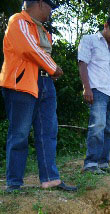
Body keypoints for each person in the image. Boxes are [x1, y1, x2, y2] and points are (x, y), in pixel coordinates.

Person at [0, 0, 77, 192]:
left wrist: (49, 72)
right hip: (22, 84)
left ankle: (50, 179)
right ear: (41, 4)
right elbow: (29, 49)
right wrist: (53, 68)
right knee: (19, 133)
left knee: (48, 131)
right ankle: (14, 183)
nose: (51, 11)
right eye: (50, 7)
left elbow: (41, 53)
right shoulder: (18, 21)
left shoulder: (40, 28)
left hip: (45, 83)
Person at [77, 16, 110, 175]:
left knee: (109, 130)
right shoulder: (89, 40)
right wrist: (87, 88)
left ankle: (103, 163)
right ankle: (91, 163)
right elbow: (82, 63)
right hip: (98, 90)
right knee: (97, 126)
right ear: (106, 26)